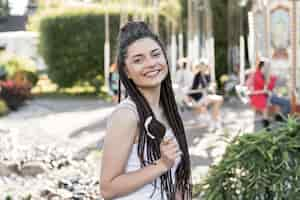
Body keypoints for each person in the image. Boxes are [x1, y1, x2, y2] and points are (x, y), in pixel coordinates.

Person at [100, 21, 192, 200]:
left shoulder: (168, 112)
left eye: (155, 54)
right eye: (138, 60)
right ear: (126, 71)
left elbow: (179, 177)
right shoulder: (127, 115)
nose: (151, 63)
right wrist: (161, 164)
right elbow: (108, 188)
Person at [250, 60, 291, 126]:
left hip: (264, 95)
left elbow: (269, 87)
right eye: (267, 67)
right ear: (262, 67)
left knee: (277, 100)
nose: (268, 68)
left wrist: (272, 79)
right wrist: (271, 80)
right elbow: (264, 86)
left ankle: (276, 117)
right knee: (283, 101)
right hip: (259, 96)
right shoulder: (257, 74)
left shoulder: (262, 74)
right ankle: (271, 120)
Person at [186, 61, 224, 131]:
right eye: (202, 66)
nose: (204, 68)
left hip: (203, 97)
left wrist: (211, 86)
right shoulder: (197, 76)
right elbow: (193, 89)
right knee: (219, 100)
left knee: (218, 101)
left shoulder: (205, 76)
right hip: (198, 98)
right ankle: (215, 121)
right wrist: (189, 99)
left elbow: (207, 87)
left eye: (205, 66)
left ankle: (214, 121)